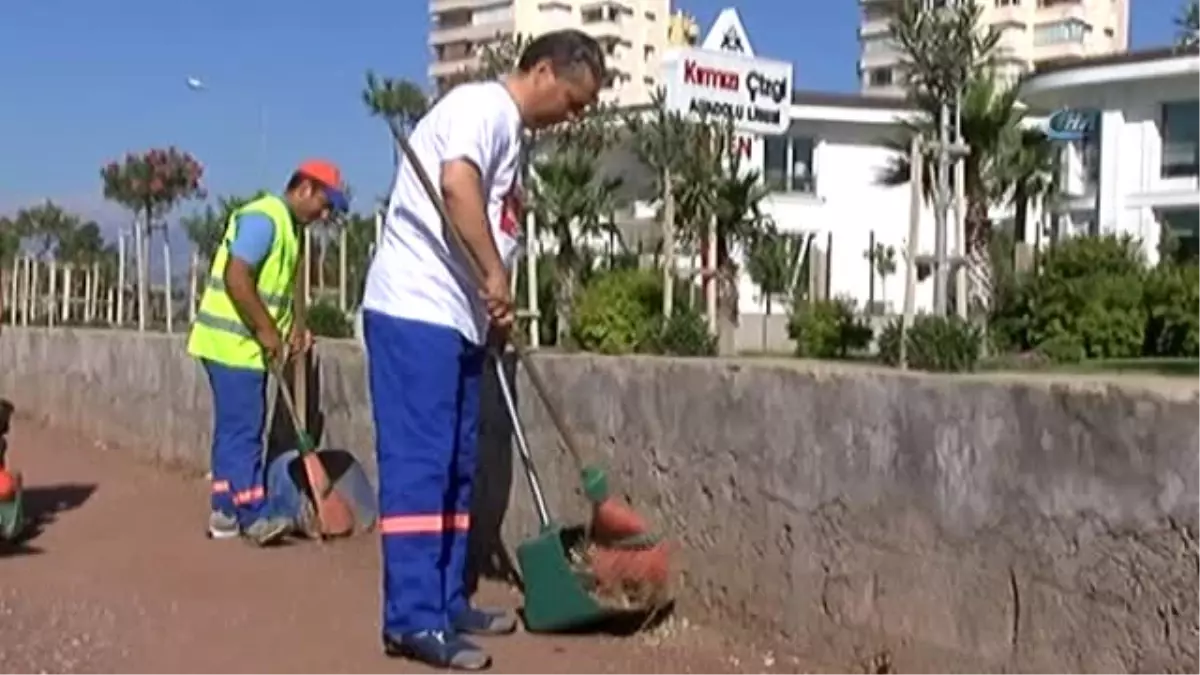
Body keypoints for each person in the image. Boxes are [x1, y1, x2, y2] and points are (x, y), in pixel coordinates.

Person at [360, 30, 605, 671]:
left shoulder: (511, 133)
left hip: (458, 321)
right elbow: (457, 187)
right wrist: (496, 276)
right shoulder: (482, 108)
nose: (573, 119)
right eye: (574, 103)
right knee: (421, 466)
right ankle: (412, 619)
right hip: (416, 312)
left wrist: (491, 305)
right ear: (545, 71)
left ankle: (445, 601)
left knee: (456, 465)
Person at [186, 160, 349, 546]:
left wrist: (292, 327)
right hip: (234, 346)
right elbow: (237, 277)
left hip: (233, 345)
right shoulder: (265, 219)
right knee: (245, 432)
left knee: (233, 431)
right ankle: (252, 513)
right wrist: (266, 330)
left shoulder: (291, 229)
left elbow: (278, 289)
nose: (325, 214)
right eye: (324, 204)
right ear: (305, 189)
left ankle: (225, 512)